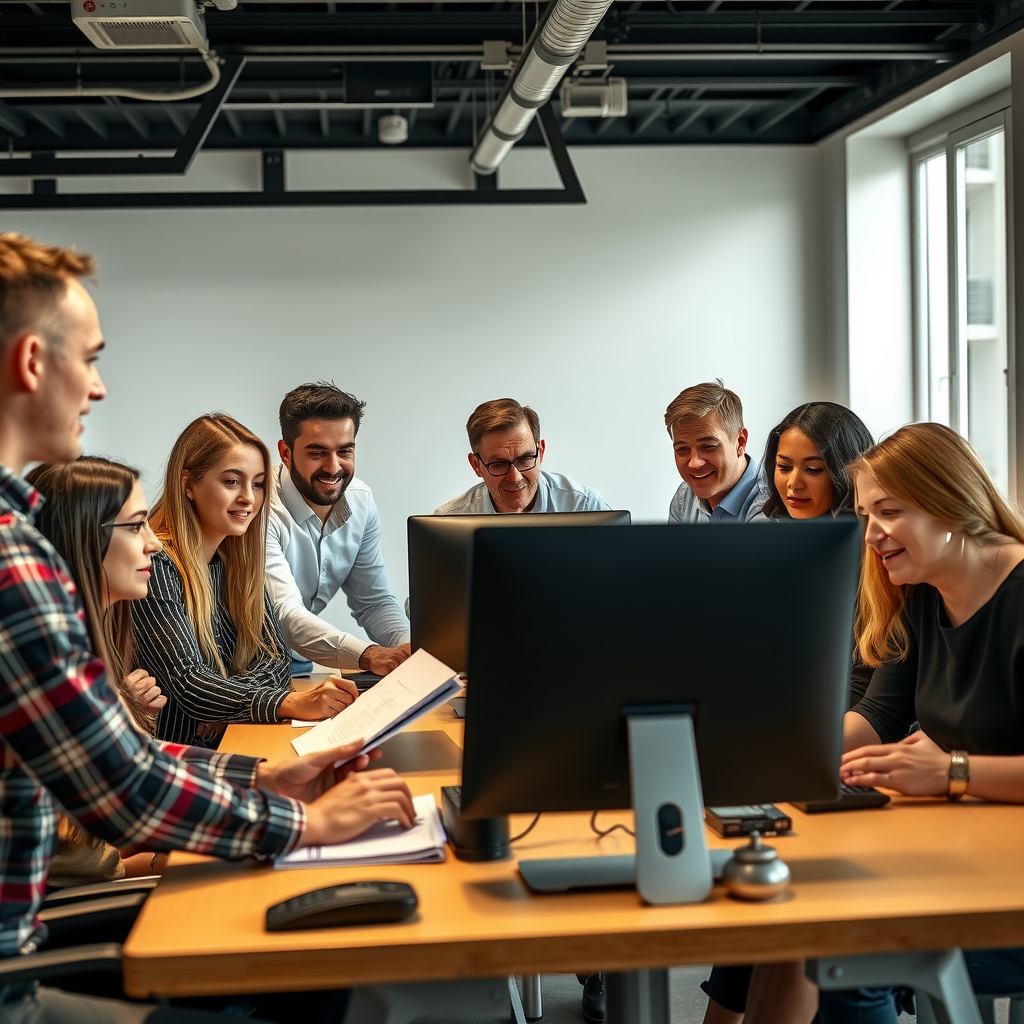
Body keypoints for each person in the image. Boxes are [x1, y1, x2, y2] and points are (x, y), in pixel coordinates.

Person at [0, 231, 415, 1024]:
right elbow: (120, 787)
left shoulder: (21, 538)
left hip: (45, 925)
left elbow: (125, 760)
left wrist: (259, 779)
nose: (98, 388)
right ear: (30, 362)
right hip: (23, 968)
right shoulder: (13, 559)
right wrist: (302, 820)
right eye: (90, 359)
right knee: (315, 960)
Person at [699, 401, 874, 1024]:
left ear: (846, 473)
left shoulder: (871, 554)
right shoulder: (774, 537)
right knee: (752, 889)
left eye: (813, 468)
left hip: (845, 746)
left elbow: (867, 689)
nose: (793, 483)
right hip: (782, 736)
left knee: (770, 887)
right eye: (783, 466)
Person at [132, 413, 356, 748]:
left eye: (258, 483)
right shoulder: (156, 565)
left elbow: (276, 659)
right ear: (188, 484)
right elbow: (189, 684)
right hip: (177, 757)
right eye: (232, 481)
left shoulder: (237, 561)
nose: (249, 498)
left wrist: (226, 703)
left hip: (230, 741)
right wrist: (284, 702)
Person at [26, 457, 171, 887]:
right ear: (83, 537)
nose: (155, 544)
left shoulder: (83, 643)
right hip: (74, 911)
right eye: (137, 526)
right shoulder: (45, 667)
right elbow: (87, 867)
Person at [268, 382, 411, 677]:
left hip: (297, 663)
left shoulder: (361, 502)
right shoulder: (258, 506)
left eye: (345, 451)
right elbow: (282, 612)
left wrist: (410, 648)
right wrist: (368, 655)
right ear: (286, 453)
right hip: (236, 667)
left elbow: (374, 603)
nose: (333, 467)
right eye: (317, 453)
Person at [435, 398, 610, 515]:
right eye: (499, 464)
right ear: (476, 465)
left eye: (525, 460)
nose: (515, 477)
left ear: (540, 453)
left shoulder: (585, 506)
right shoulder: (449, 522)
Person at [665, 380, 765, 523]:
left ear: (740, 442)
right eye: (682, 449)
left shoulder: (770, 506)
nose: (694, 463)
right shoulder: (684, 497)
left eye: (708, 446)